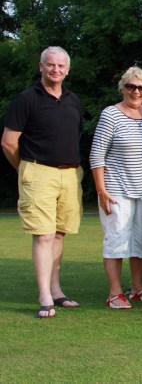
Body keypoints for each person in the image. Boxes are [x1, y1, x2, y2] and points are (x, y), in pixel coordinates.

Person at [2, 46, 83, 318]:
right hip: (38, 171)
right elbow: (9, 142)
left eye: (61, 66)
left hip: (69, 174)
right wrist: (25, 169)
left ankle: (56, 290)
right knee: (44, 234)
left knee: (59, 233)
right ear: (41, 67)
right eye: (51, 65)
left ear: (68, 70)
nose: (56, 70)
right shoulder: (26, 99)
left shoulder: (73, 100)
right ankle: (44, 295)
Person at [90, 67, 142, 309]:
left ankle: (138, 288)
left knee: (140, 242)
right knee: (116, 242)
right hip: (116, 190)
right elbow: (96, 156)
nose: (136, 91)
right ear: (123, 88)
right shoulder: (111, 114)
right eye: (131, 86)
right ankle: (115, 292)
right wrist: (101, 191)